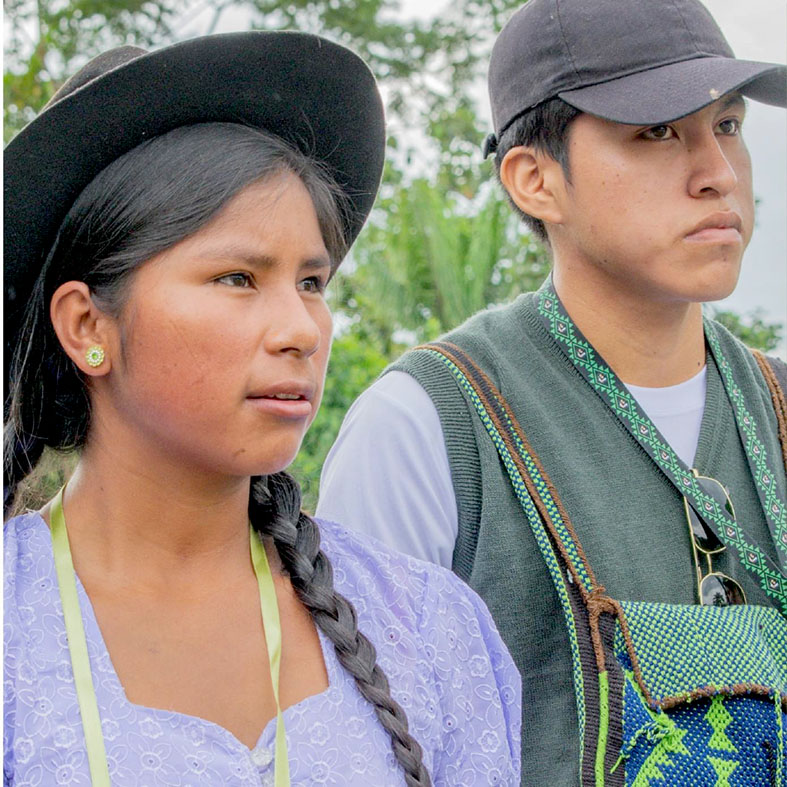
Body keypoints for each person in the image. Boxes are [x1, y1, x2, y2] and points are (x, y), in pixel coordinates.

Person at [3, 33, 521, 786]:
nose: (301, 330)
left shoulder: (426, 626)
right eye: (238, 278)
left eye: (311, 283)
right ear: (88, 326)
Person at [317, 0, 787, 783]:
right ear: (535, 180)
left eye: (728, 126)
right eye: (656, 132)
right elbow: (358, 754)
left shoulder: (777, 406)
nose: (717, 173)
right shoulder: (428, 425)